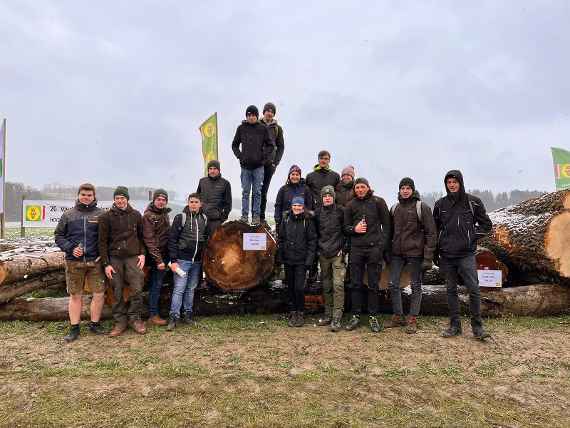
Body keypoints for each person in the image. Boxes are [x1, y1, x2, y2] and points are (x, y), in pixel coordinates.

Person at [433, 170, 493, 340]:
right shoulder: (440, 205)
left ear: (460, 182)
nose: (451, 185)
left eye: (454, 181)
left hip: (466, 254)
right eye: (448, 182)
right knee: (450, 290)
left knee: (473, 289)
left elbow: (486, 225)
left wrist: (472, 236)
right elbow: (435, 229)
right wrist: (436, 252)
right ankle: (454, 325)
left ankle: (477, 327)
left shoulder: (473, 202)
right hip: (447, 255)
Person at [54, 183, 106, 342]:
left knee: (99, 294)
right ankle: (74, 327)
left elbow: (105, 238)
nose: (86, 197)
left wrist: (101, 255)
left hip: (95, 263)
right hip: (73, 263)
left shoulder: (101, 214)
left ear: (94, 196)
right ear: (78, 195)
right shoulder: (68, 215)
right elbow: (58, 236)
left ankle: (94, 324)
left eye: (89, 195)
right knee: (76, 295)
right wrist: (70, 248)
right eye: (83, 194)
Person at [385, 178, 437, 333]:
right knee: (393, 284)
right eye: (402, 188)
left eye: (408, 188)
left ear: (413, 190)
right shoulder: (394, 208)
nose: (405, 190)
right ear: (399, 190)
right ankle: (398, 316)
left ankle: (413, 318)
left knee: (415, 285)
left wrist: (428, 257)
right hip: (397, 253)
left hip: (416, 253)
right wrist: (387, 251)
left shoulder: (422, 207)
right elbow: (389, 233)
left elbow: (431, 233)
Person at [343, 177, 391, 332]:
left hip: (373, 249)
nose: (360, 190)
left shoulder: (378, 202)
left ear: (368, 187)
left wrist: (381, 247)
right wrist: (354, 230)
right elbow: (345, 228)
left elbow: (387, 226)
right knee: (355, 284)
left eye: (362, 187)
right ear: (354, 190)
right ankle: (355, 315)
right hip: (356, 249)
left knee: (373, 284)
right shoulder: (350, 205)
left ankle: (373, 316)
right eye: (357, 188)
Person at [99, 186, 147, 337]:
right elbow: (102, 242)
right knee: (116, 289)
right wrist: (106, 264)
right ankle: (120, 321)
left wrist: (143, 254)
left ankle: (135, 318)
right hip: (114, 257)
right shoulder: (106, 217)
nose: (120, 201)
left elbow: (142, 236)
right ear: (114, 199)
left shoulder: (136, 215)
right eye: (117, 198)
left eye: (123, 198)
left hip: (133, 256)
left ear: (127, 199)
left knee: (137, 286)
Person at [167, 193, 209, 331]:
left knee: (190, 289)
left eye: (196, 202)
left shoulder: (204, 219)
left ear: (200, 204)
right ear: (188, 203)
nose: (193, 204)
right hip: (182, 260)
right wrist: (173, 260)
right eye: (191, 202)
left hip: (196, 262)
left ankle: (188, 315)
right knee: (179, 289)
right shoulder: (181, 218)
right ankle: (174, 316)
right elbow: (172, 240)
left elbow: (204, 239)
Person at [277, 196, 317, 328]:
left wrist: (309, 260)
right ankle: (293, 311)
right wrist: (281, 256)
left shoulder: (308, 220)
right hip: (288, 259)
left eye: (299, 206)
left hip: (301, 260)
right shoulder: (286, 219)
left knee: (299, 287)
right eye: (295, 205)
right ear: (292, 206)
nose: (297, 208)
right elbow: (281, 238)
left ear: (303, 207)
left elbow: (312, 241)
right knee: (290, 287)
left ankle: (300, 312)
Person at [231, 105, 272, 225]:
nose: (251, 117)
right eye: (249, 115)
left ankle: (256, 217)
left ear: (257, 115)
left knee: (257, 192)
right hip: (245, 167)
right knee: (245, 192)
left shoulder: (263, 128)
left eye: (253, 115)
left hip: (259, 167)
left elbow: (270, 145)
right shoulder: (241, 128)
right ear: (246, 116)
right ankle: (244, 216)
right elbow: (234, 145)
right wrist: (240, 156)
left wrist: (263, 158)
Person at [314, 185, 346, 332]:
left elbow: (346, 231)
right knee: (326, 285)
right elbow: (314, 233)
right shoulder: (318, 212)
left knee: (338, 285)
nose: (327, 198)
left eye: (330, 196)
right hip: (323, 253)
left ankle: (337, 317)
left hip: (337, 254)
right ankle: (328, 314)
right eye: (325, 196)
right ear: (322, 198)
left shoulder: (341, 211)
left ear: (333, 197)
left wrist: (343, 249)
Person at [142, 189, 171, 327]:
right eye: (158, 199)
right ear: (154, 200)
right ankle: (153, 315)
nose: (161, 202)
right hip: (155, 257)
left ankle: (159, 311)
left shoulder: (164, 214)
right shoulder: (148, 216)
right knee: (156, 285)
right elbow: (149, 240)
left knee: (160, 285)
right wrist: (158, 260)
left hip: (165, 255)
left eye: (163, 200)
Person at [259, 102, 285, 226]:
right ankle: (253, 215)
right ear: (263, 112)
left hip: (269, 165)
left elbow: (281, 147)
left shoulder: (277, 129)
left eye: (271, 111)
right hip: (256, 163)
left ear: (273, 114)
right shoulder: (256, 124)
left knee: (264, 191)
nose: (269, 113)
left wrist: (276, 163)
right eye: (267, 110)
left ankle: (261, 217)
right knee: (254, 191)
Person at [196, 159, 232, 235]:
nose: (212, 171)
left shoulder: (225, 183)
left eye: (215, 169)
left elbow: (228, 204)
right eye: (210, 169)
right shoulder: (202, 181)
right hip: (200, 218)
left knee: (213, 244)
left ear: (219, 170)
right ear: (208, 170)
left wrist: (222, 218)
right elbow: (197, 198)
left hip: (215, 221)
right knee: (199, 242)